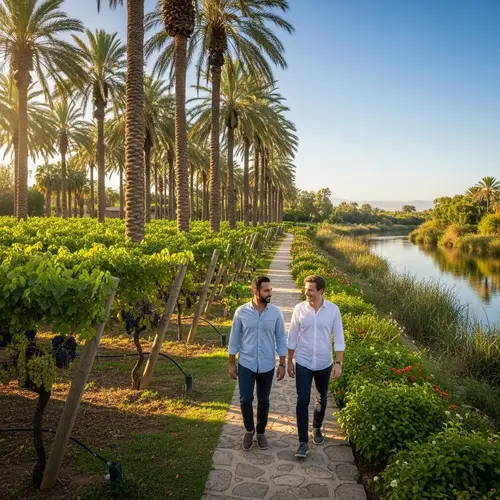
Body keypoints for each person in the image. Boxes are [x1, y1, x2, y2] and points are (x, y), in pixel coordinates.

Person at [287, 275, 345, 458]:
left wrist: (338, 364)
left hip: (323, 362)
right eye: (306, 289)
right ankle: (302, 442)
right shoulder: (299, 309)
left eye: (310, 289)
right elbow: (292, 336)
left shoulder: (333, 310)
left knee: (322, 398)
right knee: (302, 400)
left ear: (320, 290)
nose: (306, 292)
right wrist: (289, 361)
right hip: (303, 361)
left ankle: (317, 427)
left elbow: (339, 339)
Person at [228, 276, 287, 451]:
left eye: (271, 290)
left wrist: (282, 363)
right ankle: (249, 429)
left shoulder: (276, 313)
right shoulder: (241, 312)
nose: (270, 293)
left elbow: (281, 338)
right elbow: (234, 339)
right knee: (245, 399)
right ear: (256, 292)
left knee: (264, 399)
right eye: (266, 290)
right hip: (246, 363)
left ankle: (260, 432)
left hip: (267, 364)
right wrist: (231, 363)